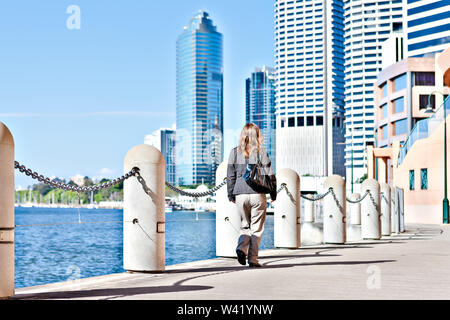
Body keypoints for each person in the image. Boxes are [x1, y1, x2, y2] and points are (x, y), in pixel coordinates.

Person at [226, 123, 277, 267]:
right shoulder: (261, 152)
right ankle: (253, 259)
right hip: (258, 193)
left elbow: (230, 176)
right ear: (257, 135)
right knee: (257, 228)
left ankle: (241, 248)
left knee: (244, 226)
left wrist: (231, 194)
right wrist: (273, 192)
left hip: (240, 193)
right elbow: (270, 175)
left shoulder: (234, 152)